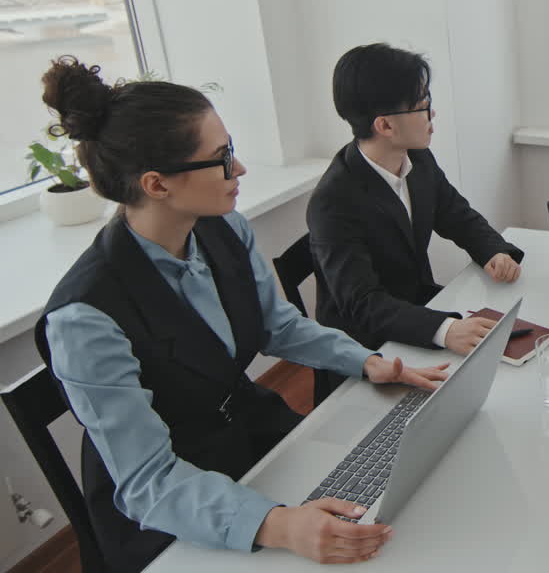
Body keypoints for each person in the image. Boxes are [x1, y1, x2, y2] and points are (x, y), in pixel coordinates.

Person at [33, 57, 450, 571]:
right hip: (172, 503)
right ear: (157, 185)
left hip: (250, 436)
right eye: (222, 158)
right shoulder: (84, 317)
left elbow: (279, 325)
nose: (240, 169)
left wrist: (368, 362)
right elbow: (147, 482)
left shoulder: (224, 229)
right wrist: (279, 524)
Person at [308, 43, 523, 402]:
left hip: (418, 316)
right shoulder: (333, 201)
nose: (431, 113)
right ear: (385, 125)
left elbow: (456, 214)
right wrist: (445, 329)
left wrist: (493, 251)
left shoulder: (418, 159)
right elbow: (363, 304)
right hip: (371, 353)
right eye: (422, 105)